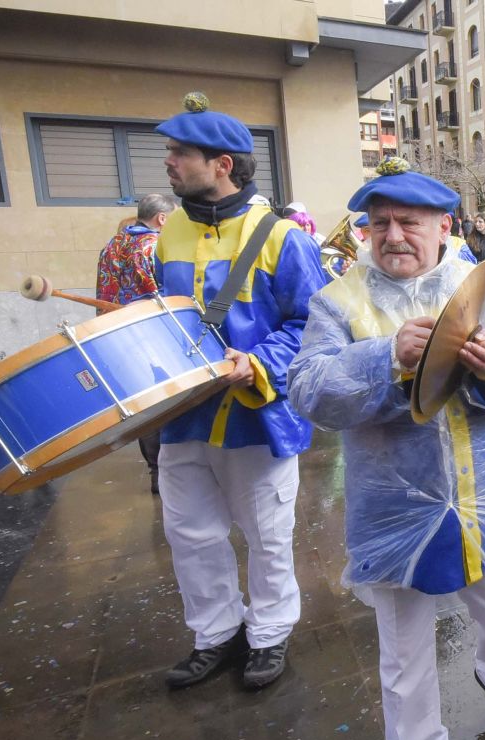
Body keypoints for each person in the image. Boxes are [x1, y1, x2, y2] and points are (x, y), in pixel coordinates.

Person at [287, 157, 485, 740]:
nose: (393, 235)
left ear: (444, 228)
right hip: (392, 516)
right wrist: (384, 360)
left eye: (410, 222)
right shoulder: (337, 302)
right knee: (403, 657)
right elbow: (308, 390)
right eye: (380, 223)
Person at [153, 92, 326, 690]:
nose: (169, 161)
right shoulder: (170, 230)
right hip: (182, 416)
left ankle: (270, 633)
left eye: (180, 152)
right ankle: (216, 634)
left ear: (223, 164)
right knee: (190, 533)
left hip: (257, 416)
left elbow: (314, 324)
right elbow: (161, 315)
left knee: (267, 537)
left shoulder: (283, 237)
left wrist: (257, 363)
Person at [95, 192, 178, 493]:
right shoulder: (153, 245)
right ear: (162, 218)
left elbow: (102, 293)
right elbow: (163, 294)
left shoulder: (111, 245)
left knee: (143, 404)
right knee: (166, 399)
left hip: (116, 335)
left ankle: (155, 470)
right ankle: (169, 469)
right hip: (151, 334)